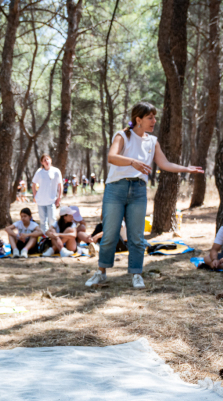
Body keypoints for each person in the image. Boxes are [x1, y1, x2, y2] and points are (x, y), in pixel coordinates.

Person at [85, 101, 203, 288]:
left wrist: (186, 169)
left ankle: (136, 274)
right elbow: (111, 157)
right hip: (116, 190)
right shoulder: (122, 135)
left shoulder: (152, 141)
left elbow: (165, 164)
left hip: (138, 191)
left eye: (154, 117)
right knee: (109, 234)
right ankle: (101, 272)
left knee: (137, 237)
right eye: (150, 117)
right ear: (138, 119)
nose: (154, 120)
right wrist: (132, 162)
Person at [32, 154, 63, 233]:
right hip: (41, 200)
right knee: (43, 221)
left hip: (51, 200)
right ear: (42, 162)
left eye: (47, 159)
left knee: (52, 219)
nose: (46, 161)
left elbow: (60, 185)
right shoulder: (39, 172)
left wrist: (59, 197)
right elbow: (34, 184)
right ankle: (45, 238)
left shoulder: (56, 171)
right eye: (44, 160)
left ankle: (54, 236)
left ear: (51, 160)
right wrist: (35, 196)